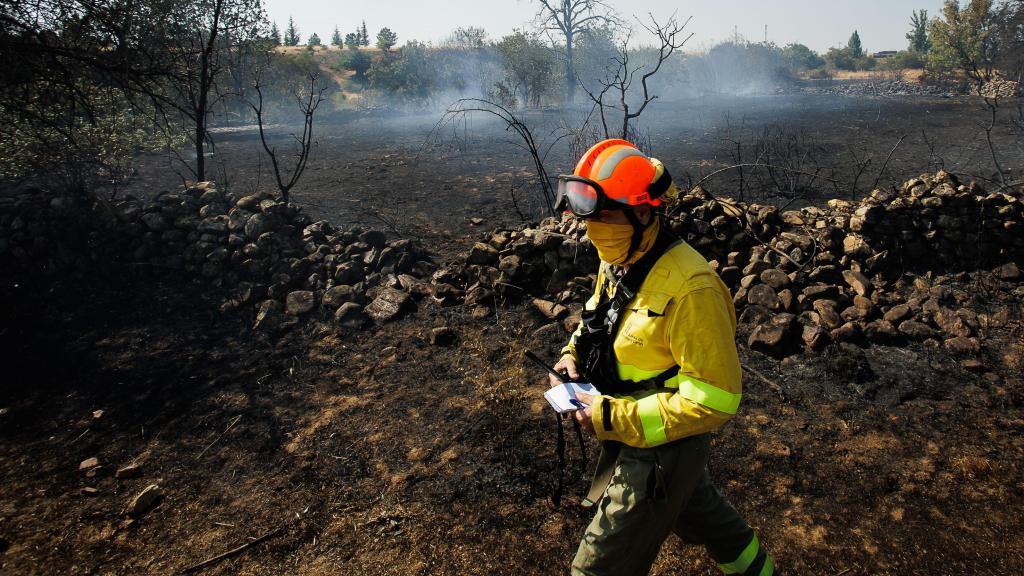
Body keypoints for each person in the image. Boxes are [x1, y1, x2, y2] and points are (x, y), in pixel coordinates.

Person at [550, 139, 778, 576]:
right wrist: (571, 353)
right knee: (706, 516)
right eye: (588, 218)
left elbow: (716, 399)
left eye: (604, 216)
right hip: (634, 427)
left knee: (597, 566)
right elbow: (598, 315)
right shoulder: (617, 256)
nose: (593, 229)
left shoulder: (692, 289)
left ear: (642, 213)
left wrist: (612, 417)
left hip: (663, 447)